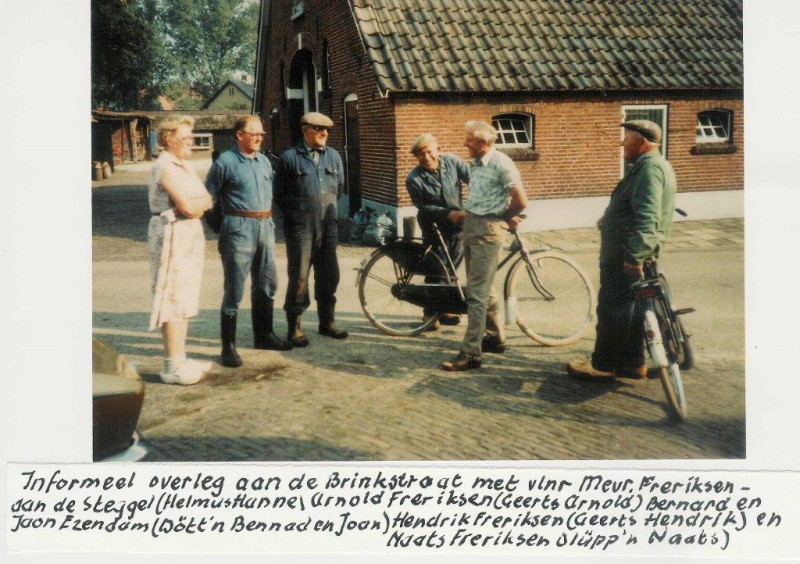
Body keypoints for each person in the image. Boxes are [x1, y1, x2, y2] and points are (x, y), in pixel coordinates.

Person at [567, 120, 677, 381]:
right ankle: (632, 363)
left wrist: (634, 256)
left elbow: (648, 217)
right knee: (632, 310)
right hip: (631, 251)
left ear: (641, 143)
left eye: (626, 139)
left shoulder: (648, 170)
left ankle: (603, 365)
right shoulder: (651, 166)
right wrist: (611, 217)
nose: (622, 143)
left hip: (625, 254)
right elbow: (634, 204)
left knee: (612, 309)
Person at [206, 115, 292, 368]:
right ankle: (228, 347)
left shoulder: (265, 161)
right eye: (254, 133)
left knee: (267, 284)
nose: (259, 137)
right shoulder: (225, 162)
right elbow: (208, 199)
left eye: (262, 134)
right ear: (239, 135)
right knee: (235, 289)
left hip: (265, 227)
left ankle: (263, 335)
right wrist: (223, 228)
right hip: (238, 229)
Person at [442, 121, 529, 371]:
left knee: (476, 294)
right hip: (472, 225)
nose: (464, 143)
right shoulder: (477, 163)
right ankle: (495, 337)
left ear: (482, 143)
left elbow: (521, 201)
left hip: (488, 231)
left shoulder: (502, 163)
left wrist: (503, 216)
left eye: (468, 139)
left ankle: (471, 353)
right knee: (484, 286)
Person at [148, 116, 213, 385]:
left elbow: (207, 199)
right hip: (172, 235)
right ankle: (171, 365)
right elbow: (189, 207)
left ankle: (181, 359)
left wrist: (194, 205)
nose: (191, 142)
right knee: (172, 298)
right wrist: (193, 206)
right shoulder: (165, 166)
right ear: (168, 140)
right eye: (186, 138)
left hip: (187, 233)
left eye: (191, 137)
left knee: (185, 297)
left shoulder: (183, 165)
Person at [274, 112, 348, 346]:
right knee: (299, 277)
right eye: (319, 129)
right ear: (305, 129)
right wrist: (299, 217)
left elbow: (340, 189)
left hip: (328, 227)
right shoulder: (289, 158)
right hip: (301, 229)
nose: (324, 133)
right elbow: (279, 196)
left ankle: (327, 323)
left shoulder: (334, 157)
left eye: (327, 130)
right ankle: (294, 328)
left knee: (330, 275)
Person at [405, 133, 470, 329]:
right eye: (420, 154)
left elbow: (473, 180)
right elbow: (422, 207)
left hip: (458, 226)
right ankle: (429, 314)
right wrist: (447, 213)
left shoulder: (452, 162)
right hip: (434, 227)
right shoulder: (414, 179)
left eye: (429, 152)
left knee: (452, 269)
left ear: (438, 150)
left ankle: (445, 310)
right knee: (436, 271)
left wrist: (474, 205)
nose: (426, 157)